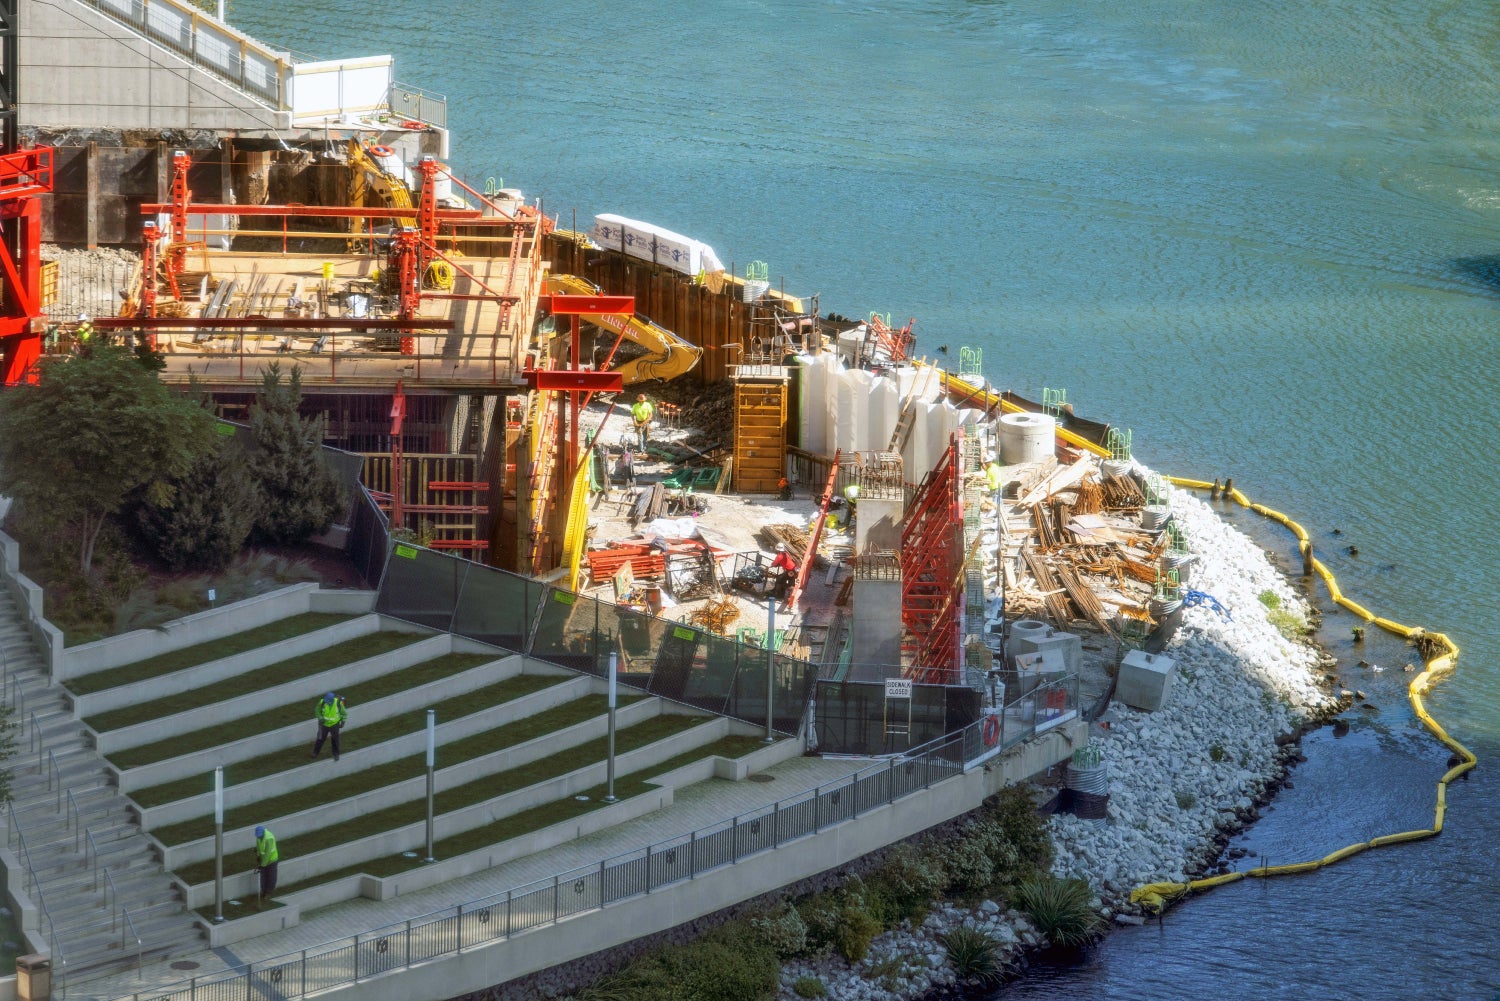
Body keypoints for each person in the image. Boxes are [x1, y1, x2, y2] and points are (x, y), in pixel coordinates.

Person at [311, 692, 347, 761]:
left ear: (332, 700)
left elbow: (344, 713)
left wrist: (343, 721)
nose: (326, 702)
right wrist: (320, 718)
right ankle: (315, 752)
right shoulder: (322, 702)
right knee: (320, 739)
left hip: (334, 724)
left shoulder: (338, 703)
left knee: (335, 740)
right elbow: (317, 710)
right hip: (323, 724)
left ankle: (336, 754)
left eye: (328, 701)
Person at [253, 824, 279, 905]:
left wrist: (262, 865)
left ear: (263, 833)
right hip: (263, 860)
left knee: (271, 876)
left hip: (272, 860)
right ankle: (263, 891)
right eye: (258, 836)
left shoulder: (269, 838)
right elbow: (258, 846)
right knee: (263, 876)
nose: (258, 837)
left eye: (260, 836)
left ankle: (268, 892)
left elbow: (267, 853)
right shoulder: (259, 837)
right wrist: (257, 854)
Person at [770, 542, 797, 609]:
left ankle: (778, 594)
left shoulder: (779, 556)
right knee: (788, 581)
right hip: (793, 569)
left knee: (779, 579)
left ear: (777, 549)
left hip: (789, 570)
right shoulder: (785, 553)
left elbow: (774, 563)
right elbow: (785, 561)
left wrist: (772, 565)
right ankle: (785, 594)